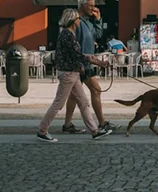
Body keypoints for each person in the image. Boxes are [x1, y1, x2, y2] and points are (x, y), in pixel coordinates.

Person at [37, 9, 113, 142]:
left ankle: (94, 131)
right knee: (58, 104)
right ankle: (42, 131)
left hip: (73, 73)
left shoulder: (68, 34)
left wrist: (87, 62)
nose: (79, 21)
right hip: (68, 74)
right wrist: (98, 62)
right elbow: (78, 55)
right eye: (78, 19)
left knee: (83, 102)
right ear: (73, 21)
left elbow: (73, 55)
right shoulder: (68, 35)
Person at [61, 0, 116, 135]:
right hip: (81, 64)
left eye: (94, 5)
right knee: (95, 90)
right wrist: (81, 62)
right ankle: (101, 123)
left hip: (85, 63)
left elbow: (97, 35)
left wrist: (98, 20)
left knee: (74, 95)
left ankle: (67, 124)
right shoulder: (76, 22)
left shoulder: (87, 22)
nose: (93, 8)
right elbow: (73, 45)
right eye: (90, 5)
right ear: (82, 5)